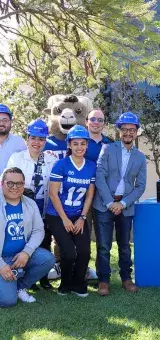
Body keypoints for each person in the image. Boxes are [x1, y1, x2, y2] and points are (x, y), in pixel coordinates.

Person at [93, 112, 146, 295]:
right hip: (104, 205)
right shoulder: (107, 149)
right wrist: (109, 202)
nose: (128, 133)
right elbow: (99, 176)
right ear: (119, 131)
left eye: (132, 130)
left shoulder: (140, 157)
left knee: (124, 246)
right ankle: (103, 281)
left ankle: (126, 278)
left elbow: (140, 186)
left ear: (137, 132)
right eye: (125, 130)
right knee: (103, 245)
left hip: (126, 206)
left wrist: (123, 203)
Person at [6, 119, 58, 289]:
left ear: (45, 141)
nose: (37, 142)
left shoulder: (51, 159)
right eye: (33, 138)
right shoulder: (17, 158)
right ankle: (28, 279)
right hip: (23, 206)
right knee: (25, 239)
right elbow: (8, 182)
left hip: (45, 205)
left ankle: (43, 277)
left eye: (41, 139)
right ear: (27, 138)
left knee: (44, 239)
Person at [45, 125, 96, 297]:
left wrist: (82, 217)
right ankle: (65, 284)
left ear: (87, 145)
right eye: (75, 143)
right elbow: (53, 194)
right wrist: (65, 219)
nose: (79, 147)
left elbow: (89, 195)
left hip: (78, 214)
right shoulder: (61, 165)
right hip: (57, 215)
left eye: (83, 143)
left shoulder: (90, 166)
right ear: (69, 144)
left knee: (84, 251)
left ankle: (78, 283)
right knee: (68, 252)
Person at [0, 167, 55, 307]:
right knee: (8, 301)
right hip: (1, 258)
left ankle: (20, 287)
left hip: (19, 256)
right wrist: (1, 265)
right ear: (2, 183)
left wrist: (26, 252)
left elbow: (38, 230)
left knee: (47, 259)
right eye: (10, 183)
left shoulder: (30, 204)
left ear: (23, 185)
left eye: (19, 183)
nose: (15, 187)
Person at [84, 109, 114, 280]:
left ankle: (103, 275)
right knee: (83, 237)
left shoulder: (111, 144)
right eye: (93, 119)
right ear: (87, 121)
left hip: (104, 197)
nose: (96, 122)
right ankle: (84, 271)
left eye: (100, 119)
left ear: (104, 123)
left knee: (103, 239)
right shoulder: (79, 141)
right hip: (83, 197)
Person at [0, 104, 26, 174]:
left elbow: (29, 159)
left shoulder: (19, 142)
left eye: (5, 120)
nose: (1, 123)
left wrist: (46, 154)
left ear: (11, 122)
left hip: (12, 184)